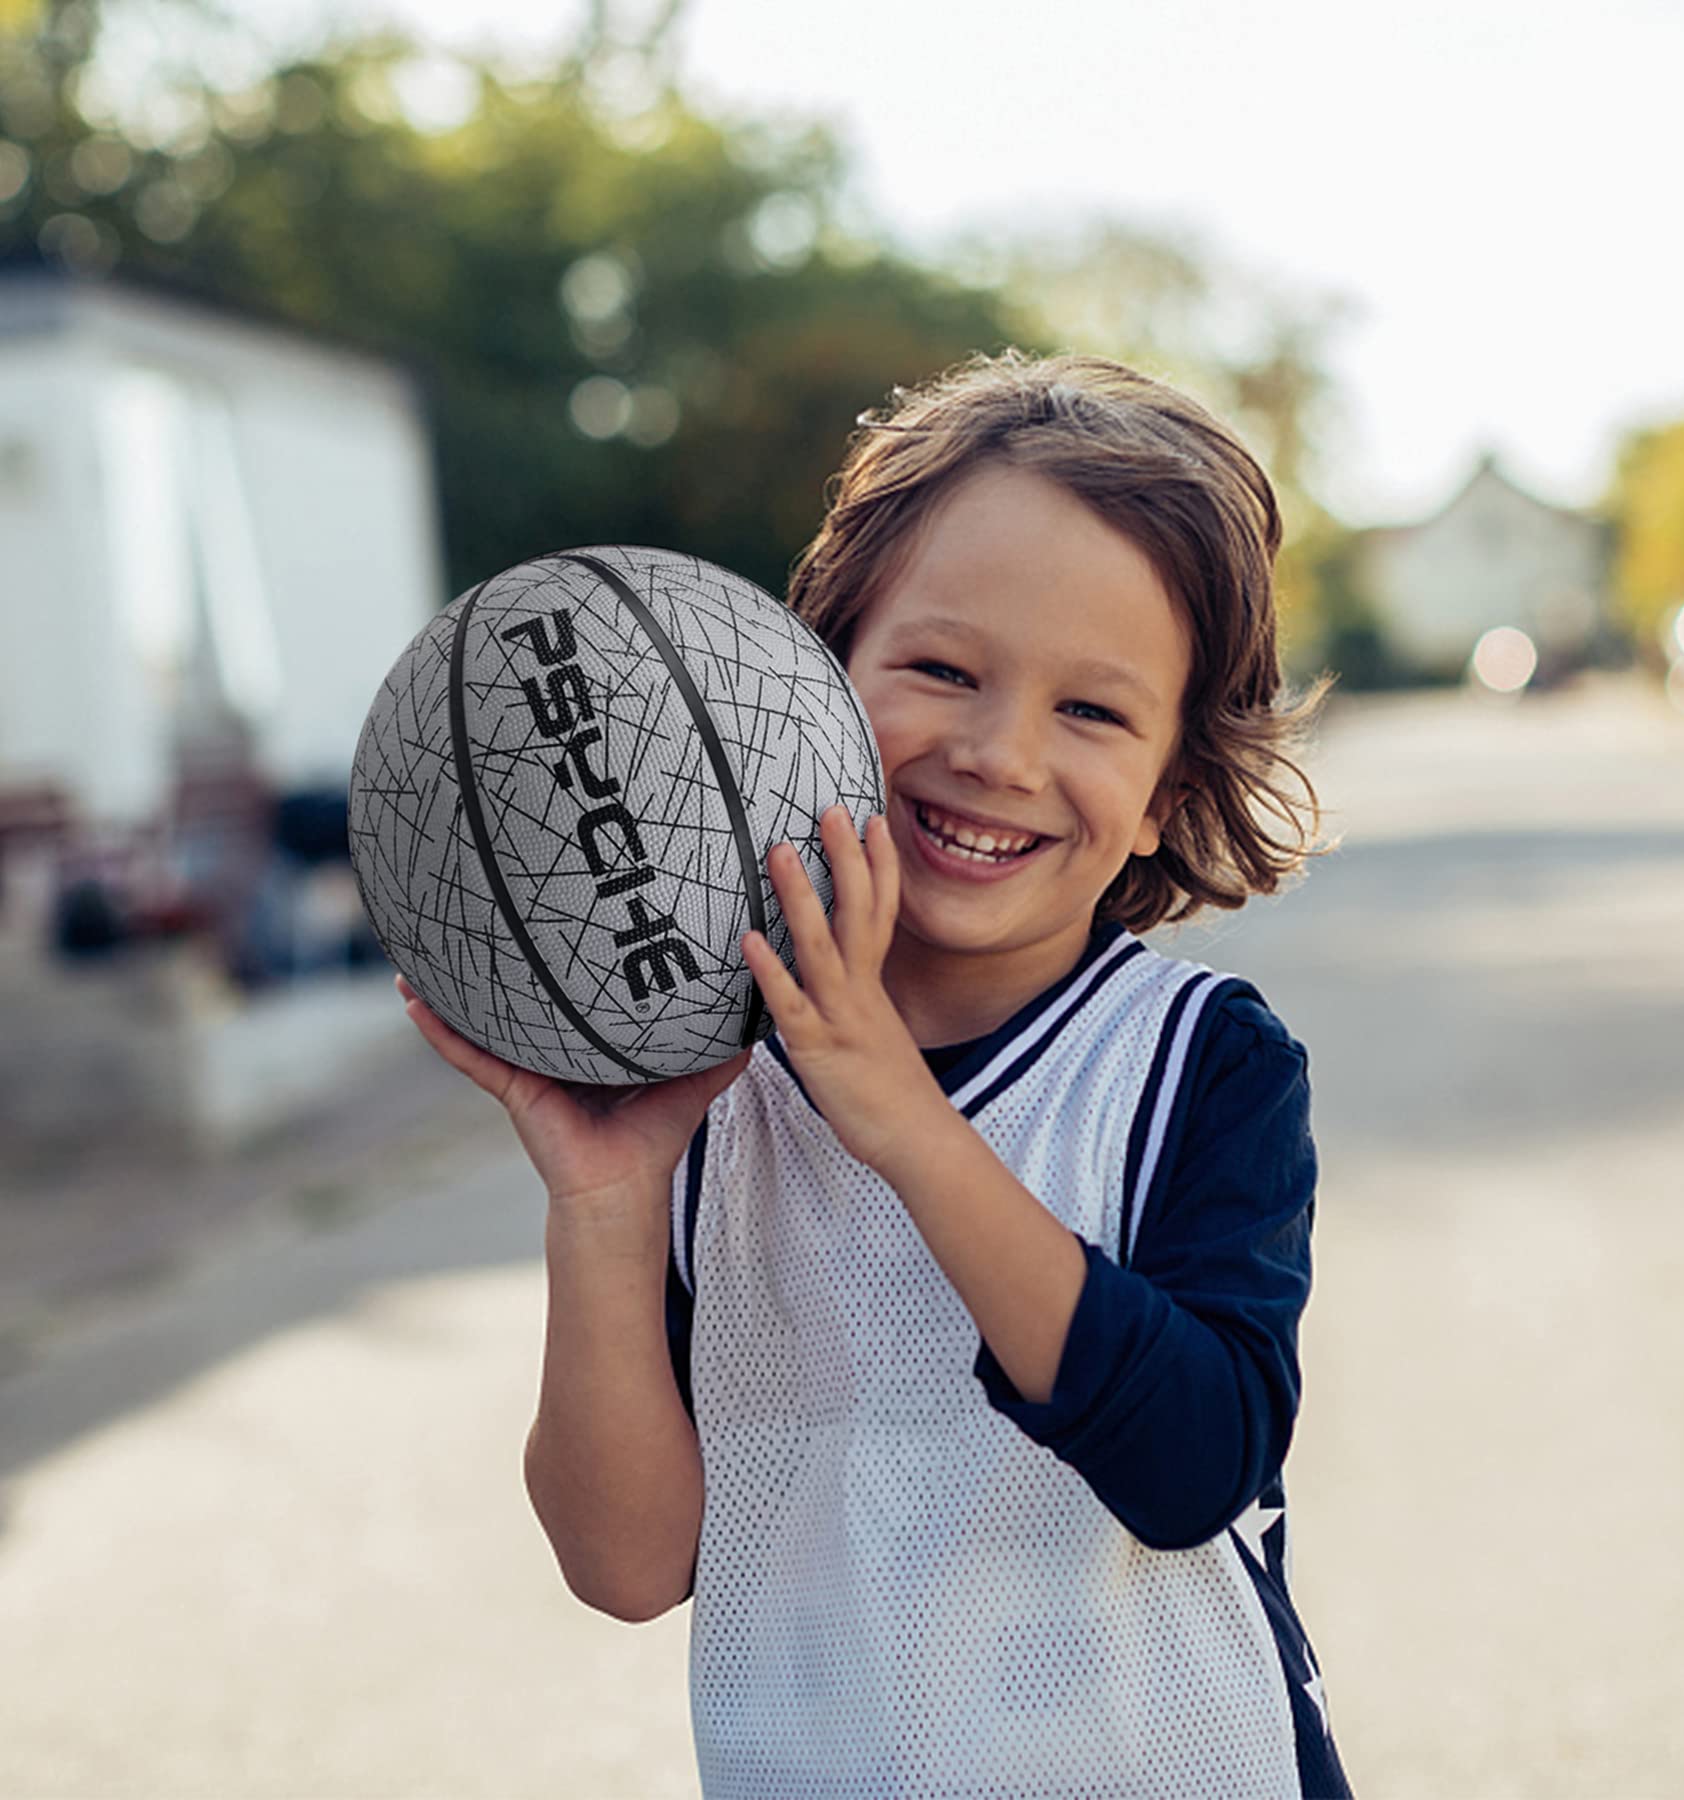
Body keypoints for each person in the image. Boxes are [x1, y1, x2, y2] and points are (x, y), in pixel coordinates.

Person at [398, 348, 1351, 1797]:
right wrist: (604, 1202)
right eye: (941, 669)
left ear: (1166, 794)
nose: (998, 752)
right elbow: (628, 1565)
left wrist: (903, 1118)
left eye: (1091, 712)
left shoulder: (1196, 1066)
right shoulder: (703, 1087)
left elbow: (1194, 1466)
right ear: (814, 681)